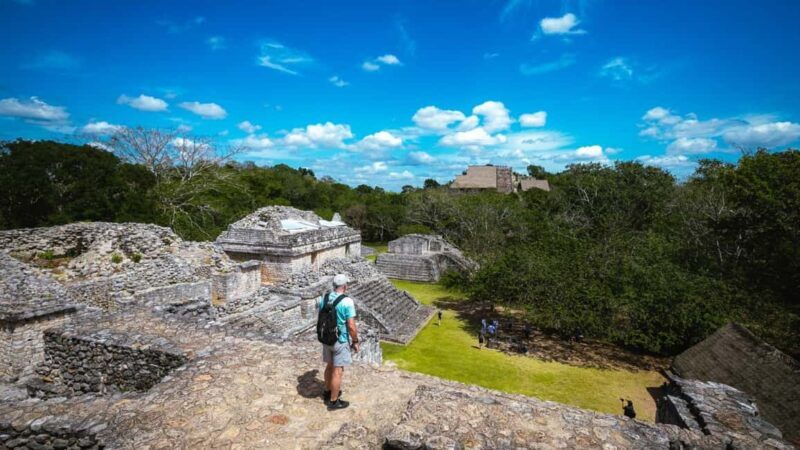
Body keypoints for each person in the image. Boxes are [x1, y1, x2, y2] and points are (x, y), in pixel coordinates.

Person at [319, 274, 359, 410]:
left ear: (334, 285)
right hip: (339, 340)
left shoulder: (324, 298)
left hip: (326, 339)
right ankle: (334, 401)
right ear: (345, 286)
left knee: (329, 366)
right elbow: (352, 326)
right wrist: (355, 341)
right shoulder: (347, 301)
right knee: (338, 371)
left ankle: (328, 391)